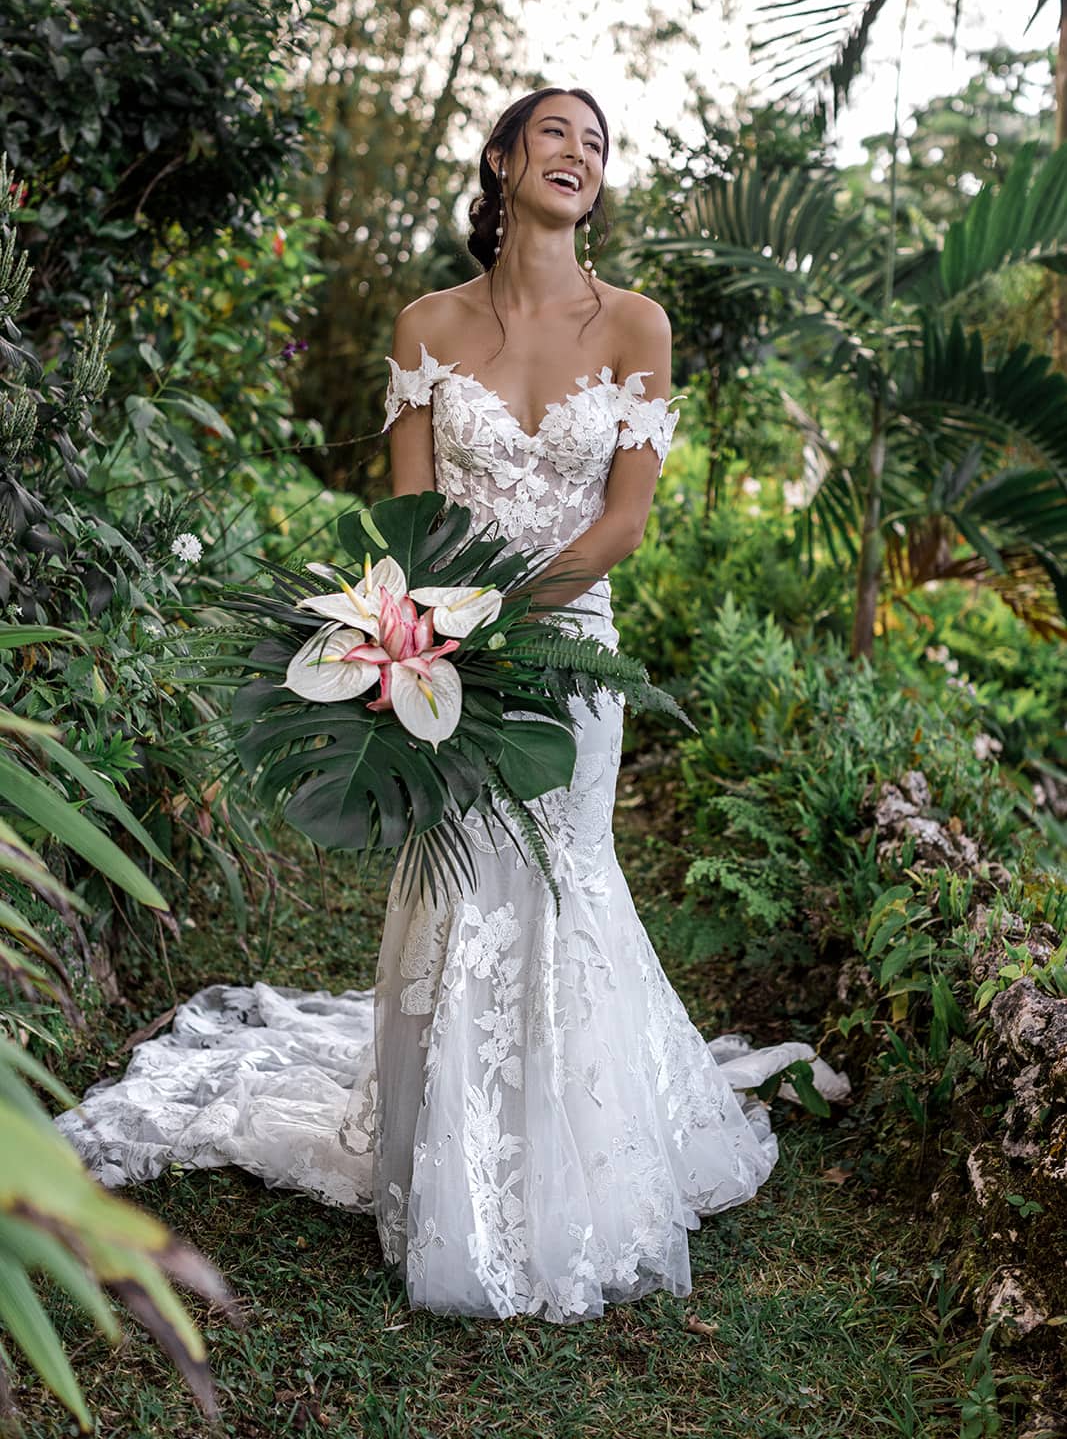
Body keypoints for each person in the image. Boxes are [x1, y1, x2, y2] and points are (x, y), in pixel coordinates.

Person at [56, 86, 848, 1325]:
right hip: (442, 654)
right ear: (500, 160)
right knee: (461, 880)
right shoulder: (427, 324)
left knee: (562, 877)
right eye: (554, 135)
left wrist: (511, 612)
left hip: (567, 651)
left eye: (595, 144)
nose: (577, 155)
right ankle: (446, 1162)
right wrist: (429, 629)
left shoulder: (636, 323)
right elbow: (410, 516)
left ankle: (571, 1162)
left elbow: (623, 519)